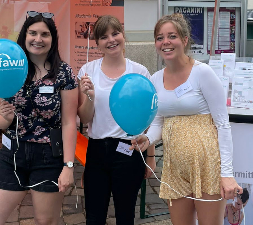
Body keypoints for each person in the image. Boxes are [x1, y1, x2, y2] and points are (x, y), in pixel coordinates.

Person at [131, 13, 243, 225]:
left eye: (171, 36)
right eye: (160, 37)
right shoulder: (155, 79)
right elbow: (158, 121)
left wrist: (226, 173)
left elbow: (222, 125)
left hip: (207, 165)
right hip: (175, 167)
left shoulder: (203, 73)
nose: (165, 42)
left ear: (184, 39)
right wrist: (148, 139)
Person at [0, 11, 78, 225]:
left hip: (49, 156)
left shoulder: (63, 73)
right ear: (24, 35)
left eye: (44, 34)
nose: (38, 39)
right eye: (33, 33)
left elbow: (69, 122)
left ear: (52, 39)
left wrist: (68, 166)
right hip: (12, 153)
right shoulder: (6, 67)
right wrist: (5, 117)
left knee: (44, 221)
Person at [77, 15, 156, 225]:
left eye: (115, 33)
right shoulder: (87, 72)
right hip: (97, 150)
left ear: (123, 35)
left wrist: (150, 156)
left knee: (125, 215)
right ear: (97, 44)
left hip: (128, 150)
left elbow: (148, 119)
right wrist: (90, 97)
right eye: (104, 37)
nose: (111, 40)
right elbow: (84, 118)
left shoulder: (139, 72)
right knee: (94, 215)